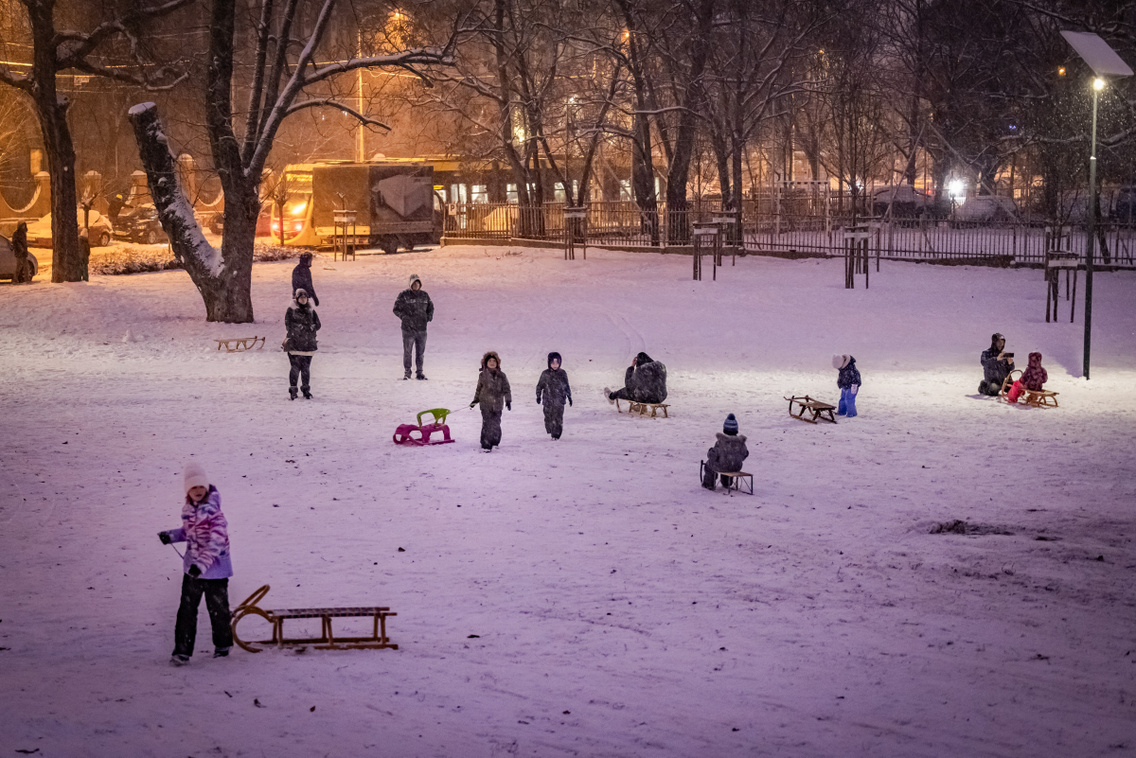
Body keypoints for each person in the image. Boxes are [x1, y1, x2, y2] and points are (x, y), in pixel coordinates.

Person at [158, 463, 234, 666]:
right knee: (187, 610)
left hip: (215, 571)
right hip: (192, 570)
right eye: (193, 488)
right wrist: (172, 535)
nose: (198, 491)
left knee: (218, 610)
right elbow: (187, 532)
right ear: (187, 491)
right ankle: (182, 651)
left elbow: (216, 542)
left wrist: (201, 565)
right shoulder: (189, 510)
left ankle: (222, 646)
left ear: (207, 487)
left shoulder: (215, 514)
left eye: (201, 487)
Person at [393, 274, 434, 380]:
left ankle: (419, 373)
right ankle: (407, 373)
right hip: (408, 330)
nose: (416, 285)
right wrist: (403, 317)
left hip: (421, 329)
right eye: (414, 283)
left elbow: (431, 307)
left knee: (420, 353)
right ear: (410, 284)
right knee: (408, 352)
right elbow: (396, 308)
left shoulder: (425, 295)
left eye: (417, 283)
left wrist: (428, 317)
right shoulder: (404, 295)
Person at [470, 351, 511, 451]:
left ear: (497, 363)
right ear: (485, 363)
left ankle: (495, 441)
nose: (492, 363)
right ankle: (485, 444)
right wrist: (475, 400)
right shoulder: (482, 375)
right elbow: (479, 389)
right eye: (490, 361)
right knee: (487, 424)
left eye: (494, 361)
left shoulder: (502, 375)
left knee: (496, 423)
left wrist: (508, 400)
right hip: (485, 404)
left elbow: (506, 389)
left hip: (497, 404)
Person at [285, 287, 320, 399]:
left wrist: (312, 327)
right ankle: (293, 389)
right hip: (295, 344)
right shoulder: (291, 310)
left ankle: (306, 390)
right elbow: (288, 325)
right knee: (295, 367)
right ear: (297, 298)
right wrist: (301, 329)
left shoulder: (311, 311)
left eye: (305, 297)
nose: (303, 299)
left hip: (308, 345)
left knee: (306, 368)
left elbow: (318, 324)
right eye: (301, 297)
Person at [702, 413, 749, 490]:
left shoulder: (721, 442)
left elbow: (713, 455)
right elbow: (745, 454)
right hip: (735, 467)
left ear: (724, 429)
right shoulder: (740, 443)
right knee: (728, 462)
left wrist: (710, 452)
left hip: (722, 467)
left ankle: (708, 484)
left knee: (709, 465)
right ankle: (727, 482)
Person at [536, 351, 573, 440]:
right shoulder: (545, 374)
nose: (555, 365)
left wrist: (569, 396)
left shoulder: (562, 373)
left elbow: (566, 385)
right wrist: (538, 395)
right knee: (548, 417)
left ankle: (556, 435)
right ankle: (550, 429)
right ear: (549, 363)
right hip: (548, 400)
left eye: (557, 362)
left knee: (558, 418)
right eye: (553, 363)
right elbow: (540, 385)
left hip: (559, 400)